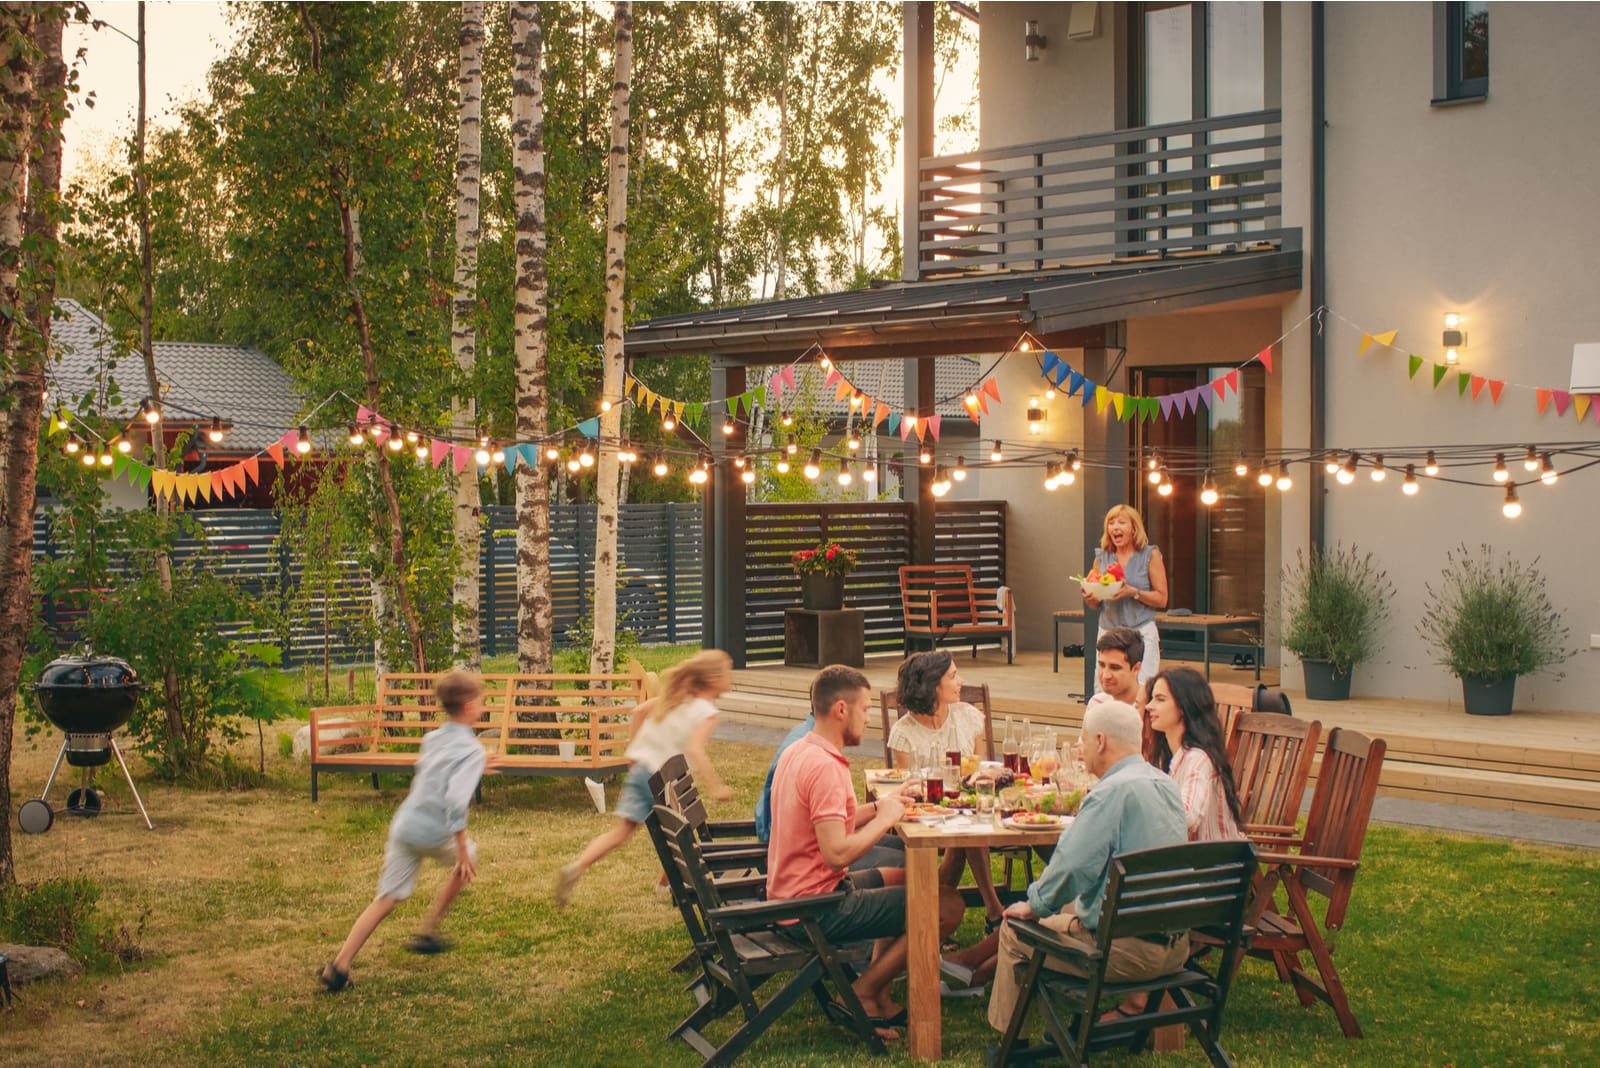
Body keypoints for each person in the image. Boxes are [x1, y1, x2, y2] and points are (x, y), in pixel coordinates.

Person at [767, 664, 966, 1037]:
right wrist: (883, 820)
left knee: (911, 879)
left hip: (795, 894)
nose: (869, 718)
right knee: (948, 906)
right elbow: (837, 854)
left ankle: (878, 991)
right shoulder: (826, 767)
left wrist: (880, 806)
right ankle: (861, 992)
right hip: (813, 909)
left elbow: (827, 822)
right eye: (866, 709)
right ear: (841, 709)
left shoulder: (801, 750)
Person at [985, 700, 1189, 1036]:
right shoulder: (1165, 784)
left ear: (1101, 741)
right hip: (1175, 945)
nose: (1081, 747)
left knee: (1013, 928)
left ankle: (1011, 1045)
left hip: (1124, 952)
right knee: (1067, 906)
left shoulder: (1110, 792)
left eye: (1083, 738)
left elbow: (1072, 867)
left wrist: (1035, 904)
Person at [319, 670, 490, 992]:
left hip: (405, 825)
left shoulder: (433, 739)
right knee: (468, 860)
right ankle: (429, 931)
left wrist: (478, 765)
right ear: (468, 706)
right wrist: (462, 849)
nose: (483, 706)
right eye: (480, 701)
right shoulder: (472, 751)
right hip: (435, 832)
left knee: (385, 899)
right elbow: (455, 799)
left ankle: (339, 966)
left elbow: (436, 770)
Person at [554, 650, 735, 907]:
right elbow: (695, 749)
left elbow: (638, 712)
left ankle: (577, 867)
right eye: (728, 672)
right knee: (683, 834)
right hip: (665, 779)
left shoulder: (675, 698)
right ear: (714, 679)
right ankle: (668, 886)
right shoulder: (706, 711)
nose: (731, 677)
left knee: (622, 832)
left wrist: (631, 750)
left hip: (641, 770)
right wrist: (717, 787)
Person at [886, 650, 1004, 930]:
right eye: (953, 676)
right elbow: (910, 785)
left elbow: (982, 768)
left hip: (968, 806)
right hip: (927, 813)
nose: (960, 681)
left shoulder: (968, 716)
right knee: (965, 834)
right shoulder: (904, 732)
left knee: (966, 830)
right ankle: (992, 909)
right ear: (932, 685)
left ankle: (939, 912)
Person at [1145, 667, 1245, 843]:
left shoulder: (1198, 759)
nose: (1149, 706)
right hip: (1189, 859)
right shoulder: (1169, 756)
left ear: (1184, 707)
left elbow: (1187, 817)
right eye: (1151, 699)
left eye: (1160, 699)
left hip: (1215, 864)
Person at [1083, 504, 1167, 691]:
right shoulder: (1102, 557)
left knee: (1143, 690)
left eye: (1122, 522)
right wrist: (1090, 595)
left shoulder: (1149, 554)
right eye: (1111, 523)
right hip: (1108, 633)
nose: (1115, 527)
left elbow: (1162, 599)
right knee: (1104, 690)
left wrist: (1133, 592)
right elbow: (1095, 604)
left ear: (1134, 528)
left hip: (1141, 633)